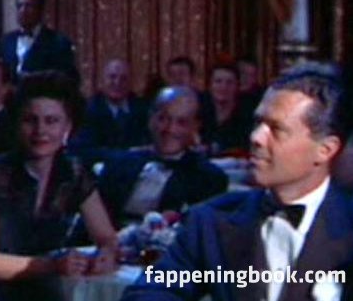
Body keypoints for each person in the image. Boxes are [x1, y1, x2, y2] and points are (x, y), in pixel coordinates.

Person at [121, 63, 353, 301]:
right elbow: (147, 294)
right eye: (258, 123)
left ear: (325, 150)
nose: (256, 137)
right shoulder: (211, 222)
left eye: (277, 129)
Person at [0, 72, 118, 300]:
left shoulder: (73, 173)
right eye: (30, 120)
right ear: (17, 123)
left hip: (45, 291)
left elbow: (107, 237)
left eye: (51, 121)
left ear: (67, 127)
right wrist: (50, 265)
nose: (40, 131)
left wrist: (107, 254)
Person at [98, 87, 228, 227]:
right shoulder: (119, 163)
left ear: (195, 127)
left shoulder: (209, 178)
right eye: (163, 119)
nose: (170, 129)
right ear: (151, 119)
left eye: (181, 122)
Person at [71, 59, 149, 164]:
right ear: (102, 81)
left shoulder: (142, 108)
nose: (117, 83)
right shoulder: (87, 110)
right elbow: (83, 150)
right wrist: (124, 154)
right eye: (112, 77)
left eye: (123, 78)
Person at [0, 0, 79, 83]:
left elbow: (68, 79)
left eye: (29, 6)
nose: (23, 10)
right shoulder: (6, 41)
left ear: (40, 10)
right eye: (19, 6)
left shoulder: (58, 43)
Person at [199, 63, 254, 155]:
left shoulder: (247, 114)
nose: (223, 87)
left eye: (229, 82)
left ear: (237, 86)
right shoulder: (199, 111)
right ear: (209, 86)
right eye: (218, 81)